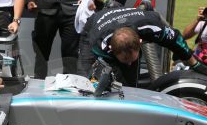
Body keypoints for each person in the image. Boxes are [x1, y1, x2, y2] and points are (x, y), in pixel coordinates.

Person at [77, 7, 207, 86]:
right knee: (88, 83)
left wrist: (195, 64)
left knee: (129, 83)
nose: (129, 64)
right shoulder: (100, 45)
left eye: (131, 59)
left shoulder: (152, 27)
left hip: (135, 20)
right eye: (125, 60)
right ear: (112, 50)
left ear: (140, 42)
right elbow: (96, 71)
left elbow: (176, 40)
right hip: (94, 25)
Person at [26, 0, 94, 79]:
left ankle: (69, 85)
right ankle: (38, 82)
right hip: (45, 9)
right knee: (41, 53)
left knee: (71, 55)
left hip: (71, 10)